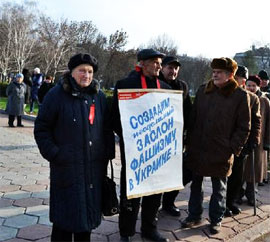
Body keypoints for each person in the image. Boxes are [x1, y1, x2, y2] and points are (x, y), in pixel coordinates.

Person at [34, 53, 115, 242]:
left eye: (90, 71)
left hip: (93, 170)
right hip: (66, 170)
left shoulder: (99, 97)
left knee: (86, 222)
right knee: (64, 221)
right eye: (82, 71)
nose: (86, 75)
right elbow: (42, 128)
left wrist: (106, 153)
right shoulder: (56, 95)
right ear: (72, 72)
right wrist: (55, 154)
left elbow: (107, 128)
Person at [182, 57, 251, 234]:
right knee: (195, 185)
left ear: (230, 75)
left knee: (219, 188)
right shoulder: (203, 90)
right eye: (213, 71)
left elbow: (244, 127)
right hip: (198, 148)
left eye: (219, 72)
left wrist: (232, 148)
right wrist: (188, 142)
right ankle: (194, 215)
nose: (215, 74)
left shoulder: (240, 96)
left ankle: (215, 219)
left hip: (221, 151)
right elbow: (193, 118)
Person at [111, 49, 171, 242]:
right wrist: (129, 136)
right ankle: (126, 232)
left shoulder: (166, 88)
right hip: (134, 151)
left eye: (160, 63)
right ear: (142, 63)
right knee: (131, 194)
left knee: (154, 192)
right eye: (155, 62)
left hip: (157, 151)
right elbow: (114, 116)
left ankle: (149, 229)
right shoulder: (125, 85)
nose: (159, 66)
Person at [158, 55, 192, 217]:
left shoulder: (182, 86)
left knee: (179, 174)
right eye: (170, 68)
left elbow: (188, 112)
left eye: (176, 68)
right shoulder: (153, 83)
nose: (173, 71)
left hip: (176, 139)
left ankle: (168, 202)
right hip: (156, 139)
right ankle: (152, 206)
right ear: (162, 68)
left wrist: (188, 136)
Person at [225, 66, 261, 216]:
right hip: (224, 141)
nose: (236, 80)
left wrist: (254, 140)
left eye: (239, 78)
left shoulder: (253, 98)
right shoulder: (224, 94)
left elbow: (256, 122)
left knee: (237, 176)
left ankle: (230, 202)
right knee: (221, 175)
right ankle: (220, 204)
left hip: (241, 143)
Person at [243, 75, 270, 204]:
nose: (251, 88)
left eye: (254, 86)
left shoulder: (264, 101)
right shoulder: (241, 97)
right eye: (249, 85)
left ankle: (251, 192)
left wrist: (267, 142)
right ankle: (237, 192)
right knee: (241, 168)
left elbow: (269, 123)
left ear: (258, 87)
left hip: (258, 139)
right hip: (242, 138)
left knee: (254, 169)